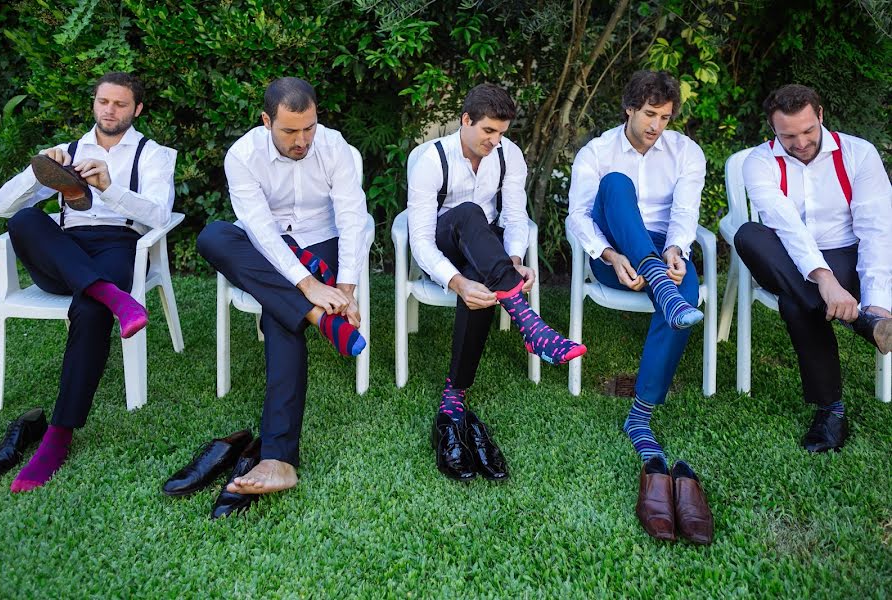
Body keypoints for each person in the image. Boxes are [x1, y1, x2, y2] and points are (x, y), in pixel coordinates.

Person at [0, 72, 176, 492]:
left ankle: (58, 436)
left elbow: (160, 216)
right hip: (63, 249)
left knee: (91, 311)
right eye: (103, 102)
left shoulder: (152, 155)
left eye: (120, 104)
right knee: (24, 220)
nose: (109, 110)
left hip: (117, 245)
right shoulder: (67, 151)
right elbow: (0, 208)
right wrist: (36, 173)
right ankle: (116, 298)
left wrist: (109, 188)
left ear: (137, 109)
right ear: (93, 103)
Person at [194, 77, 368, 517]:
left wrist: (345, 288)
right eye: (290, 131)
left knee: (277, 312)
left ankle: (280, 458)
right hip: (269, 246)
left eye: (308, 127)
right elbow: (261, 231)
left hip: (321, 241)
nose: (302, 140)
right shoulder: (244, 155)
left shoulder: (335, 147)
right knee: (214, 235)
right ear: (266, 120)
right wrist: (308, 289)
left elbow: (353, 217)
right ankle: (313, 314)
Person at [408, 83, 585, 483]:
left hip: (485, 252)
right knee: (470, 213)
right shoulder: (431, 161)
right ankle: (530, 324)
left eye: (502, 132)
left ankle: (455, 397)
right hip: (445, 241)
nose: (496, 141)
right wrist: (455, 283)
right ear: (465, 120)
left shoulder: (509, 156)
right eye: (489, 131)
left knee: (482, 270)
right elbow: (418, 239)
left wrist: (516, 259)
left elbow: (515, 217)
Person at [566, 70, 712, 544]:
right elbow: (578, 218)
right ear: (629, 108)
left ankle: (640, 413)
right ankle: (659, 283)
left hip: (662, 253)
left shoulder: (686, 153)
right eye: (649, 115)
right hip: (616, 255)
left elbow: (685, 213)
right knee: (615, 185)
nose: (656, 126)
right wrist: (609, 254)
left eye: (665, 118)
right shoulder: (598, 152)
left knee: (682, 297)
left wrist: (676, 251)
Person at [735, 84, 892, 453]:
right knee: (748, 234)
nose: (801, 142)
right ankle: (862, 327)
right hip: (788, 255)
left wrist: (877, 301)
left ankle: (830, 412)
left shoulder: (859, 154)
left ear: (820, 116)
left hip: (847, 252)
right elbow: (785, 224)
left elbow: (876, 228)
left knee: (795, 303)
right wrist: (824, 280)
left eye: (808, 130)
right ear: (772, 129)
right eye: (788, 135)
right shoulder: (758, 162)